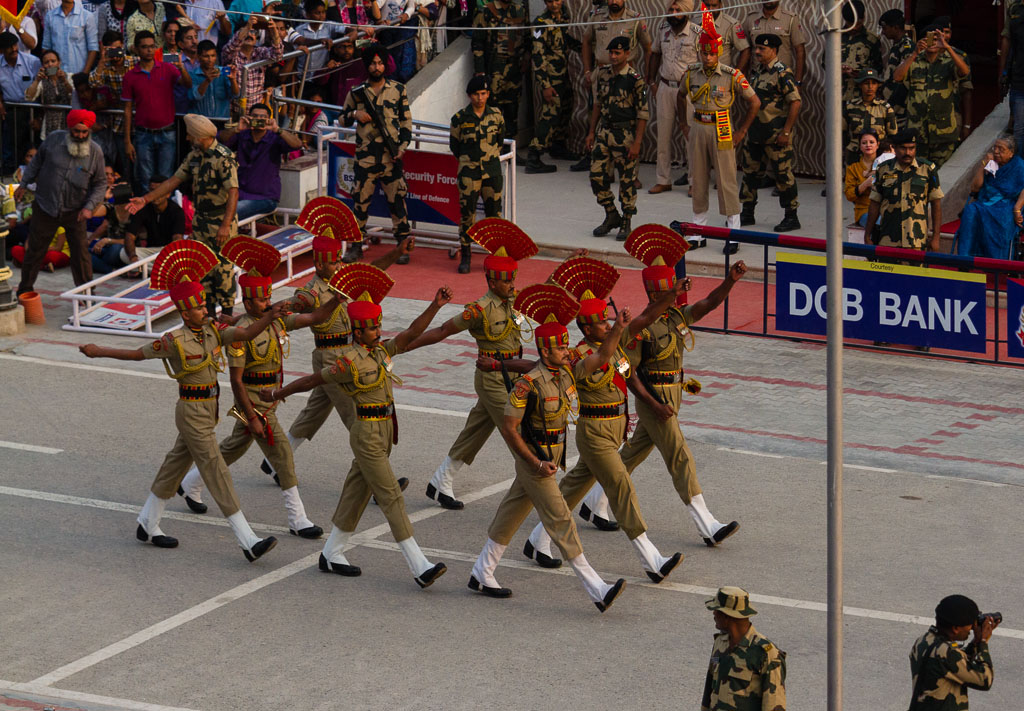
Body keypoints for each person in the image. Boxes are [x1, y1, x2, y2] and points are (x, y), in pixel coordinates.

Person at [77, 241, 282, 562]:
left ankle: (147, 522)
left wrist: (270, 316)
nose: (205, 309)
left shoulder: (213, 330)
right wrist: (99, 350)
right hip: (190, 411)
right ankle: (248, 539)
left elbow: (243, 334)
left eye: (204, 304)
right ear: (185, 312)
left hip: (208, 410)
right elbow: (135, 354)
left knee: (175, 466)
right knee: (216, 469)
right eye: (199, 307)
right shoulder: (174, 341)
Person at [261, 266, 453, 588]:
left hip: (385, 432)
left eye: (378, 326)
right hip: (365, 434)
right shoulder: (346, 363)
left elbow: (411, 334)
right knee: (391, 495)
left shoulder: (381, 351)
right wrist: (279, 393)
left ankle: (332, 553)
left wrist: (435, 305)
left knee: (356, 493)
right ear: (357, 332)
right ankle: (419, 565)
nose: (378, 331)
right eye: (372, 328)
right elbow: (312, 380)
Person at [506, 256, 687, 583]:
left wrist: (671, 295)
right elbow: (539, 367)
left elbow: (645, 319)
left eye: (608, 320)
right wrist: (500, 365)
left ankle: (538, 540)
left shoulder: (615, 346)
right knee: (621, 486)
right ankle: (652, 558)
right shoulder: (577, 355)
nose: (608, 323)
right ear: (587, 328)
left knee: (574, 487)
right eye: (602, 321)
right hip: (594, 433)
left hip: (614, 430)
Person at [468, 283, 629, 611]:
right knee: (560, 518)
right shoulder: (526, 386)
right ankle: (596, 587)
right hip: (535, 460)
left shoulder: (567, 374)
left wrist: (620, 329)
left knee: (512, 511)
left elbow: (602, 356)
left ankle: (482, 572)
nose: (568, 352)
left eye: (568, 347)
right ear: (544, 352)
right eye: (561, 349)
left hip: (549, 458)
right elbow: (511, 430)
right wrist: (534, 463)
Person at [579, 228, 744, 546]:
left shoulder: (676, 318)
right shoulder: (644, 327)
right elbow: (627, 370)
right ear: (657, 293)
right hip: (655, 399)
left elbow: (708, 303)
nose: (678, 293)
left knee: (632, 454)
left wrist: (730, 280)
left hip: (673, 396)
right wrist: (653, 404)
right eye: (671, 289)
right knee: (679, 456)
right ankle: (706, 523)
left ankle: (595, 500)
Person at [175, 237, 340, 537]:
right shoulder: (241, 334)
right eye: (263, 300)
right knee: (283, 458)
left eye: (269, 297)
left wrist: (338, 299)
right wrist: (251, 416)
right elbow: (236, 381)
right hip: (252, 403)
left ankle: (190, 483)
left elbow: (314, 317)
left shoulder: (275, 321)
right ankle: (297, 519)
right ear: (249, 303)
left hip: (267, 401)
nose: (269, 302)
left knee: (230, 449)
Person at [260, 214, 413, 482]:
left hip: (348, 351)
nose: (338, 265)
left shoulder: (342, 277)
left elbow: (372, 270)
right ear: (319, 262)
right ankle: (379, 478)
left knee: (314, 412)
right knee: (358, 416)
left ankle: (273, 462)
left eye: (339, 259)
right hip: (330, 356)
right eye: (333, 261)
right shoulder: (311, 292)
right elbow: (290, 307)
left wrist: (395, 252)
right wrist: (260, 315)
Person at [129, 113, 239, 317]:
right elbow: (173, 181)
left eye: (190, 135)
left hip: (220, 220)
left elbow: (233, 191)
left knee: (223, 268)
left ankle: (227, 313)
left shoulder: (223, 158)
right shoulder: (195, 156)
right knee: (202, 267)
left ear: (200, 136)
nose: (187, 139)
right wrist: (146, 199)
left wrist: (225, 225)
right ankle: (208, 313)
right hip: (201, 219)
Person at [680, 7, 759, 255]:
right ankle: (698, 231)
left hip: (723, 127)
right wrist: (684, 125)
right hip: (698, 125)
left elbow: (754, 102)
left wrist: (742, 130)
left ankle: (732, 234)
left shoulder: (731, 74)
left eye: (712, 52)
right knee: (699, 178)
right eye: (704, 52)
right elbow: (680, 95)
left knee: (727, 181)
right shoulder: (692, 72)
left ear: (720, 52)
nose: (707, 56)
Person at [15, 109, 107, 296]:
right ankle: (24, 291)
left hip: (76, 209)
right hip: (45, 205)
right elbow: (35, 164)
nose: (80, 135)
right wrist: (23, 184)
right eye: (76, 131)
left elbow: (100, 184)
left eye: (84, 132)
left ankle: (86, 294)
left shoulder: (95, 152)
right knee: (34, 251)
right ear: (69, 128)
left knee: (80, 254)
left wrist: (90, 208)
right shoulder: (54, 140)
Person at [339, 44, 413, 265]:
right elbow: (342, 118)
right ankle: (355, 247)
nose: (377, 67)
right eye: (373, 63)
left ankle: (402, 246)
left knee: (397, 201)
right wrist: (355, 113)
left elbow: (406, 121)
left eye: (380, 63)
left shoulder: (398, 90)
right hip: (366, 157)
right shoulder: (357, 92)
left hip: (392, 157)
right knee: (360, 202)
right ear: (367, 65)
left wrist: (402, 147)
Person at [575, 0, 652, 173]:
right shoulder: (596, 17)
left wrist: (648, 75)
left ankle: (632, 172)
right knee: (599, 115)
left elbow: (648, 47)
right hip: (602, 74)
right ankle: (603, 168)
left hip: (626, 76)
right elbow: (586, 42)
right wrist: (588, 71)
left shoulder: (635, 18)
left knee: (629, 120)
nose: (614, 1)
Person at [587, 36, 649, 241]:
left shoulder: (635, 79)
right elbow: (597, 104)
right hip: (604, 132)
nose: (613, 57)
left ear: (627, 54)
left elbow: (642, 114)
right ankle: (611, 214)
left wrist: (637, 142)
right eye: (611, 53)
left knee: (627, 181)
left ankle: (626, 220)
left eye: (617, 53)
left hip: (626, 136)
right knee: (596, 176)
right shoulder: (603, 75)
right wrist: (590, 132)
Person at [739, 33, 801, 233]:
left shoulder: (782, 73)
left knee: (783, 176)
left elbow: (795, 102)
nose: (757, 52)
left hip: (776, 137)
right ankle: (747, 213)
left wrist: (786, 131)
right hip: (756, 134)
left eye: (762, 49)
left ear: (774, 50)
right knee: (750, 175)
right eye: (756, 48)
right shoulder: (758, 71)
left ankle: (791, 216)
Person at [893, 23, 969, 169]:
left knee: (944, 173)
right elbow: (897, 77)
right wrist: (914, 53)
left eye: (936, 39)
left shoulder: (948, 61)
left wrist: (946, 47)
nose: (932, 43)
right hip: (918, 132)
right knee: (918, 173)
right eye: (929, 39)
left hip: (943, 132)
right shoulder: (915, 61)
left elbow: (965, 72)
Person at [122, 30, 191, 191]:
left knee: (166, 177)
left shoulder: (168, 68)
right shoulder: (130, 76)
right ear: (137, 49)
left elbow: (187, 84)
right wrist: (127, 141)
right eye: (145, 47)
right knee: (145, 178)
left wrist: (181, 68)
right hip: (143, 134)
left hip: (167, 132)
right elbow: (127, 110)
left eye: (152, 47)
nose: (149, 50)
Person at [449, 75, 504, 274]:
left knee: (494, 217)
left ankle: (495, 258)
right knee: (467, 216)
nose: (480, 98)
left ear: (488, 94)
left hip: (492, 172)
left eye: (483, 94)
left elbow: (499, 140)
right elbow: (455, 146)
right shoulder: (459, 118)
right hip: (469, 173)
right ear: (469, 96)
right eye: (476, 94)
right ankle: (466, 255)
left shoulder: (496, 116)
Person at [701, 586, 787, 711]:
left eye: (717, 610)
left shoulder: (766, 654)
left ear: (728, 616)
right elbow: (709, 690)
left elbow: (774, 704)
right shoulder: (720, 642)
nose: (713, 613)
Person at [645, 0, 699, 194]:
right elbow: (655, 53)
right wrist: (651, 81)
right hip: (665, 87)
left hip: (688, 92)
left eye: (678, 10)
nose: (674, 12)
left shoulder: (697, 32)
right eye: (671, 9)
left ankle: (695, 181)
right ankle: (663, 179)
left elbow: (705, 61)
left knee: (691, 136)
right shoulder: (663, 28)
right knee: (663, 136)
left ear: (686, 13)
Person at [908, 595, 997, 710]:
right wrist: (983, 642)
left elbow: (958, 664)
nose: (972, 629)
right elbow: (985, 679)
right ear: (955, 628)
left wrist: (975, 642)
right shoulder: (947, 653)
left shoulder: (924, 640)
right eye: (970, 624)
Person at [219, 104, 302, 220]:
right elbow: (220, 140)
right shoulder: (243, 134)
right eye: (255, 116)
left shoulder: (274, 137)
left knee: (227, 215)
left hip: (265, 198)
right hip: (239, 194)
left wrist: (277, 129)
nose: (259, 119)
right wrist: (236, 129)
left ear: (268, 119)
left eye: (263, 117)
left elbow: (297, 144)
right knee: (212, 210)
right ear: (249, 118)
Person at [864, 129, 943, 251]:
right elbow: (875, 203)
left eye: (912, 148)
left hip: (916, 241)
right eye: (903, 148)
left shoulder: (927, 169)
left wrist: (936, 238)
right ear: (894, 148)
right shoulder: (883, 169)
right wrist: (867, 235)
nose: (908, 153)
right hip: (888, 240)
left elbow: (936, 204)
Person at [525, 0, 580, 174]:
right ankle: (534, 156)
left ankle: (558, 146)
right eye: (550, 1)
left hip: (563, 76)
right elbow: (538, 56)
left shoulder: (563, 18)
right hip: (551, 79)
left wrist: (584, 47)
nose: (554, 4)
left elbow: (565, 40)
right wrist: (545, 85)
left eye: (557, 0)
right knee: (550, 116)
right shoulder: (540, 24)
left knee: (566, 109)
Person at [953, 137, 1024, 259]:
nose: (996, 152)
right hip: (985, 202)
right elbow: (975, 188)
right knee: (970, 211)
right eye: (995, 148)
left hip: (1007, 204)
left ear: (1011, 153)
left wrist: (1017, 208)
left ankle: (1000, 260)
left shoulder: (1018, 165)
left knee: (1003, 218)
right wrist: (983, 164)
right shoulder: (991, 163)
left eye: (1001, 149)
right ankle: (965, 258)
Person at [470, 0, 526, 142]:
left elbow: (526, 38)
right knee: (493, 108)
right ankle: (493, 145)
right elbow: (477, 43)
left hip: (515, 68)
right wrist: (480, 72)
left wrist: (526, 58)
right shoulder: (485, 11)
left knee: (512, 108)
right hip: (495, 68)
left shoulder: (519, 10)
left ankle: (510, 146)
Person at [89, 30, 136, 174]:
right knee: (126, 166)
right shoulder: (106, 67)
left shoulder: (135, 61)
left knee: (141, 167)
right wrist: (102, 62)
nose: (116, 53)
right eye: (111, 49)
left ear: (123, 45)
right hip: (119, 123)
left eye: (118, 48)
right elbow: (93, 83)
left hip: (139, 120)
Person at [223, 14, 283, 113]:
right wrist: (247, 27)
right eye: (247, 32)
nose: (250, 35)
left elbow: (278, 55)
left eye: (253, 32)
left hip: (255, 112)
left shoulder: (260, 52)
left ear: (257, 38)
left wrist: (274, 33)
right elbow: (231, 48)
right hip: (233, 111)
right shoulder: (232, 55)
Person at [0, 33, 40, 175]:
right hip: (11, 112)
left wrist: (40, 117)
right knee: (10, 149)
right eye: (9, 47)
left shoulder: (33, 62)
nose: (14, 49)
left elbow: (43, 84)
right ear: (2, 51)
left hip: (33, 110)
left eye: (15, 45)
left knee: (32, 148)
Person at [741, 1, 805, 84]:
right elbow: (745, 51)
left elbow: (800, 51)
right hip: (757, 80)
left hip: (782, 80)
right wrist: (743, 81)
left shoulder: (790, 18)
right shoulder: (751, 18)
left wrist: (798, 82)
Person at [842, 68, 896, 166]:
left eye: (874, 83)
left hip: (879, 154)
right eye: (866, 83)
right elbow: (842, 133)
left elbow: (892, 135)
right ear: (860, 85)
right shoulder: (850, 107)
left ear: (878, 85)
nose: (870, 87)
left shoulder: (885, 108)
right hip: (855, 153)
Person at [838, 0, 881, 105]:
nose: (855, 28)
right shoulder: (835, 38)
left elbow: (878, 68)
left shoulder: (872, 39)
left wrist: (861, 74)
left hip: (862, 97)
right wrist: (839, 69)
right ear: (845, 20)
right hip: (838, 95)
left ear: (864, 18)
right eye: (851, 25)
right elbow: (825, 63)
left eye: (858, 24)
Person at [25, 49, 74, 139]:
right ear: (43, 66)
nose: (50, 64)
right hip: (48, 125)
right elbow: (29, 97)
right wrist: (37, 80)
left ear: (59, 63)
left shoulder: (69, 77)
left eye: (53, 61)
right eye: (46, 62)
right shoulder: (42, 82)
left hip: (68, 123)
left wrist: (64, 81)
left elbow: (74, 95)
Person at [42, 0, 99, 75]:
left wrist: (84, 74)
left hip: (79, 73)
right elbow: (46, 47)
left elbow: (93, 48)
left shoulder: (87, 16)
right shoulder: (50, 16)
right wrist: (51, 73)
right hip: (56, 74)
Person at [879, 8, 913, 129]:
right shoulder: (896, 46)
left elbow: (905, 81)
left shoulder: (906, 47)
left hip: (900, 110)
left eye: (885, 28)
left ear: (896, 27)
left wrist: (892, 105)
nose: (883, 32)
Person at [188, 39, 239, 119]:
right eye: (206, 56)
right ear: (198, 57)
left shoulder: (223, 72)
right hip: (199, 123)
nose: (210, 60)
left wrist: (233, 80)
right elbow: (195, 96)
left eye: (213, 56)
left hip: (221, 121)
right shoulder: (192, 75)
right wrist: (207, 80)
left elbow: (235, 95)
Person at [1001, 1, 1024, 156]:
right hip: (1019, 78)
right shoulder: (1015, 8)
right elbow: (1007, 40)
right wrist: (1003, 71)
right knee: (1019, 129)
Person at [844, 129, 879, 226]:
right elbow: (849, 195)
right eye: (864, 143)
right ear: (860, 146)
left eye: (872, 142)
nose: (868, 145)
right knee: (879, 223)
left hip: (885, 209)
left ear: (878, 145)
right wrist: (865, 184)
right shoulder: (853, 169)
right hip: (864, 211)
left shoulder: (885, 165)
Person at [705, 0, 749, 72]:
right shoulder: (696, 23)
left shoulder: (731, 24)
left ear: (720, 5)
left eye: (714, 6)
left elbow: (745, 50)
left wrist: (736, 75)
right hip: (699, 76)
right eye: (707, 5)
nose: (710, 9)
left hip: (721, 76)